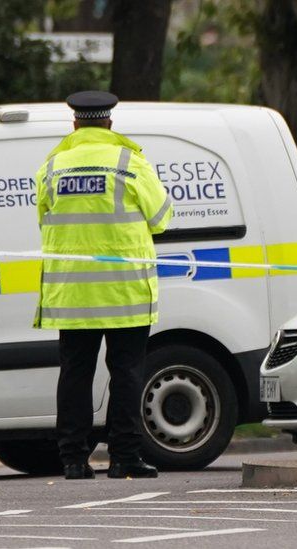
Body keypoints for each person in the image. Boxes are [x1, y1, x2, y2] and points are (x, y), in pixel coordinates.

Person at [33, 91, 173, 481]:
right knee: (126, 373)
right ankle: (124, 457)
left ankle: (73, 460)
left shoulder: (53, 165)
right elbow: (161, 217)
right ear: (109, 123)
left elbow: (44, 219)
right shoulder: (131, 161)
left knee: (75, 375)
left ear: (75, 123)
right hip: (125, 291)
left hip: (72, 293)